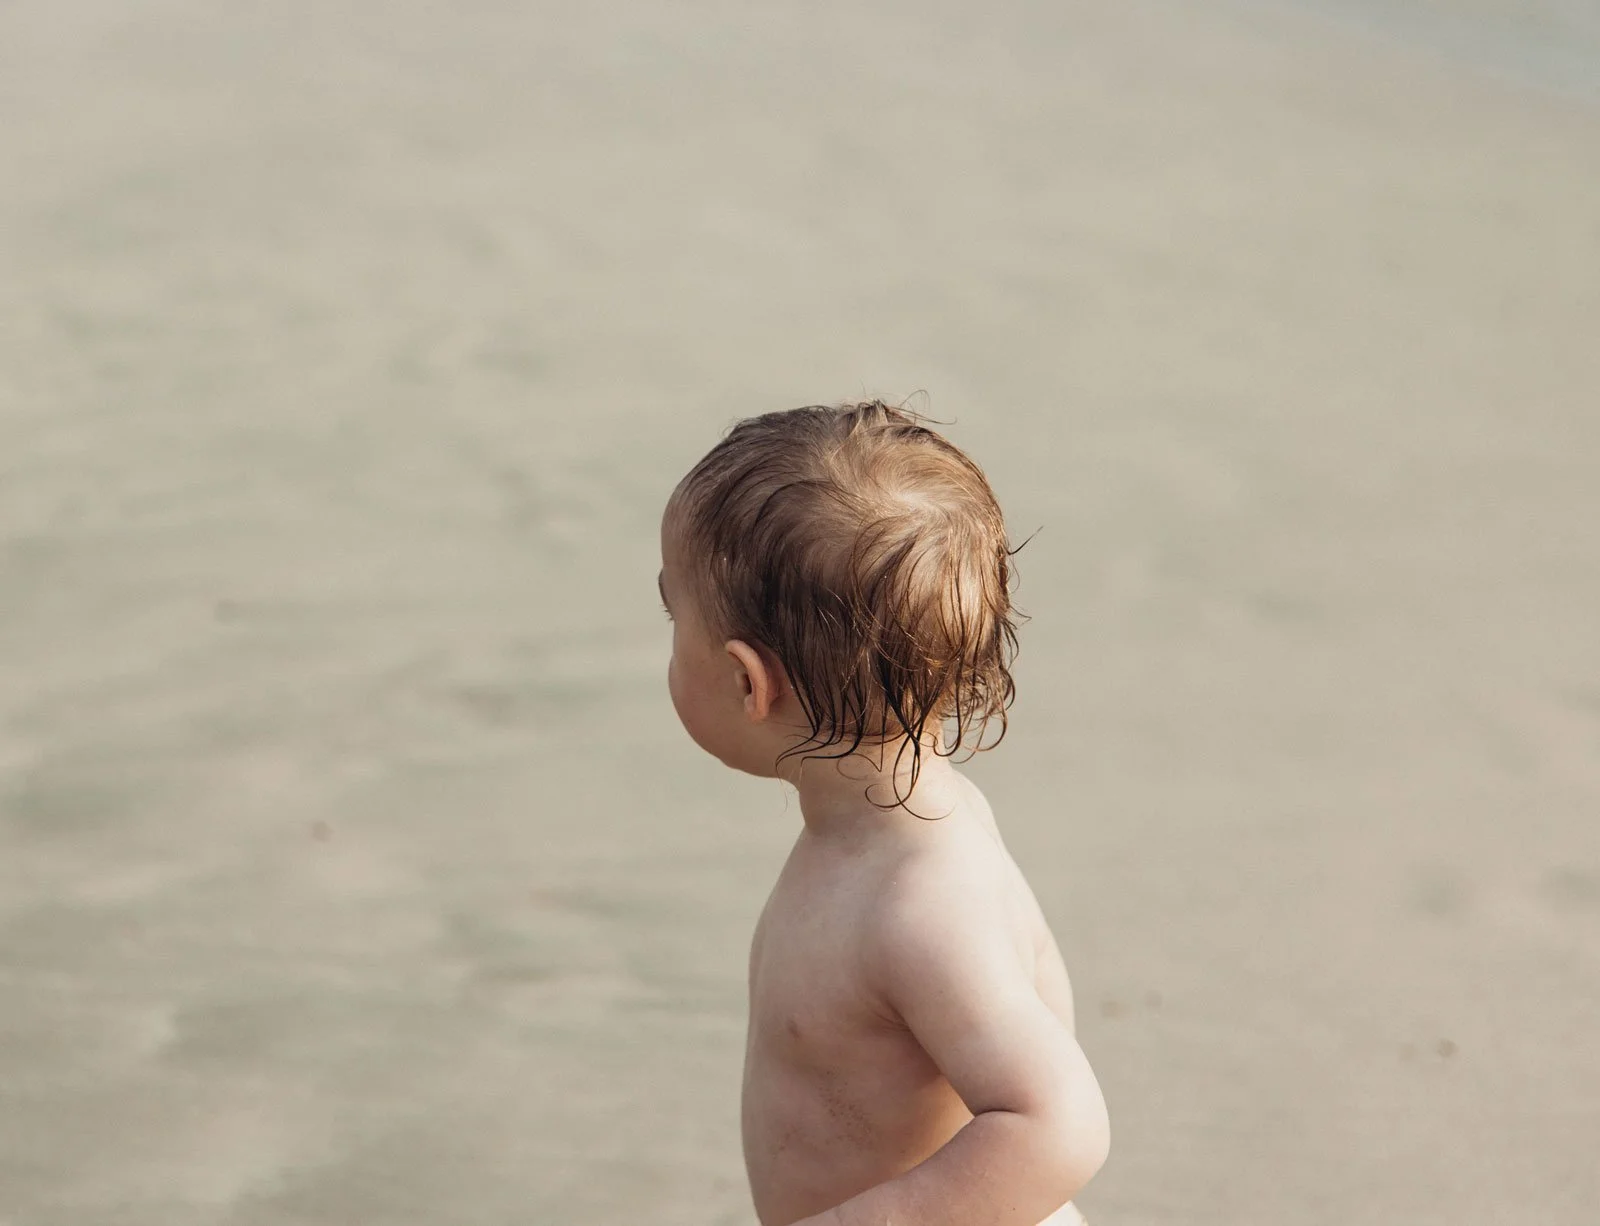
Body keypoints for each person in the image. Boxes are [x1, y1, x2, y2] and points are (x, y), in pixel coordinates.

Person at [659, 401, 1110, 1226]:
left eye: (671, 615)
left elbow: (1059, 1125)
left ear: (746, 682)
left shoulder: (919, 903)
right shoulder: (891, 840)